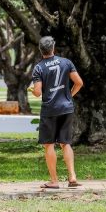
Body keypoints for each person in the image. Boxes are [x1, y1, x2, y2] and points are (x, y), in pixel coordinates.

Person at [30, 36, 84, 189]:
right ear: (53, 48)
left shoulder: (39, 68)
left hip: (49, 110)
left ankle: (54, 181)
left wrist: (32, 90)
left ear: (41, 50)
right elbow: (79, 83)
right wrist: (69, 95)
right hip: (66, 108)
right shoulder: (66, 62)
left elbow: (38, 92)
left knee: (48, 145)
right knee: (65, 143)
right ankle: (72, 177)